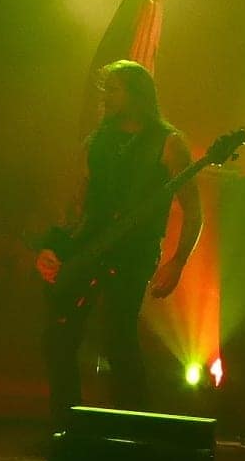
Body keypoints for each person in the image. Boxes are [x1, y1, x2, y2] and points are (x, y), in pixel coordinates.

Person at [36, 60, 201, 425]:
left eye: (113, 90)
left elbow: (193, 210)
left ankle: (132, 431)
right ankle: (67, 428)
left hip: (134, 252)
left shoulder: (168, 143)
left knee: (118, 337)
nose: (105, 97)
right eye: (104, 90)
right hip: (89, 247)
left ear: (137, 94)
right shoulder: (96, 142)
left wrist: (178, 262)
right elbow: (77, 207)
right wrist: (53, 248)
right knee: (58, 337)